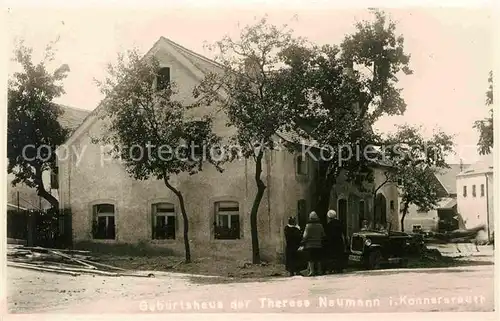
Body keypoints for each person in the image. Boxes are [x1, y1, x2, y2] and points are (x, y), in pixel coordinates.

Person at [301, 211, 325, 276]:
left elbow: (305, 236)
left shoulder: (308, 226)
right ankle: (319, 270)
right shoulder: (320, 226)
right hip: (318, 244)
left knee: (311, 259)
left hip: (310, 245)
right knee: (318, 258)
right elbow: (323, 234)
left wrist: (303, 241)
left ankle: (312, 271)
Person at [324, 210, 346, 274]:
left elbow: (327, 234)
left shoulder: (329, 224)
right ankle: (340, 268)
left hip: (332, 242)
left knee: (332, 255)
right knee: (339, 254)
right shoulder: (339, 222)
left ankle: (332, 268)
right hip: (339, 241)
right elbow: (343, 232)